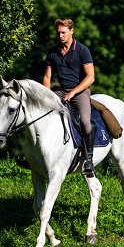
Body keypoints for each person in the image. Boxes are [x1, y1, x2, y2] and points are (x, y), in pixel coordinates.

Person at [43, 18, 97, 176]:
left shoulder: (82, 50)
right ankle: (36, 155)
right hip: (60, 91)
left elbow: (90, 77)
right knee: (40, 112)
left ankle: (88, 160)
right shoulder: (52, 52)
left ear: (71, 31)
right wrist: (46, 96)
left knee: (85, 121)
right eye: (58, 33)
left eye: (63, 32)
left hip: (80, 92)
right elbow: (47, 78)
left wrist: (73, 93)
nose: (60, 36)